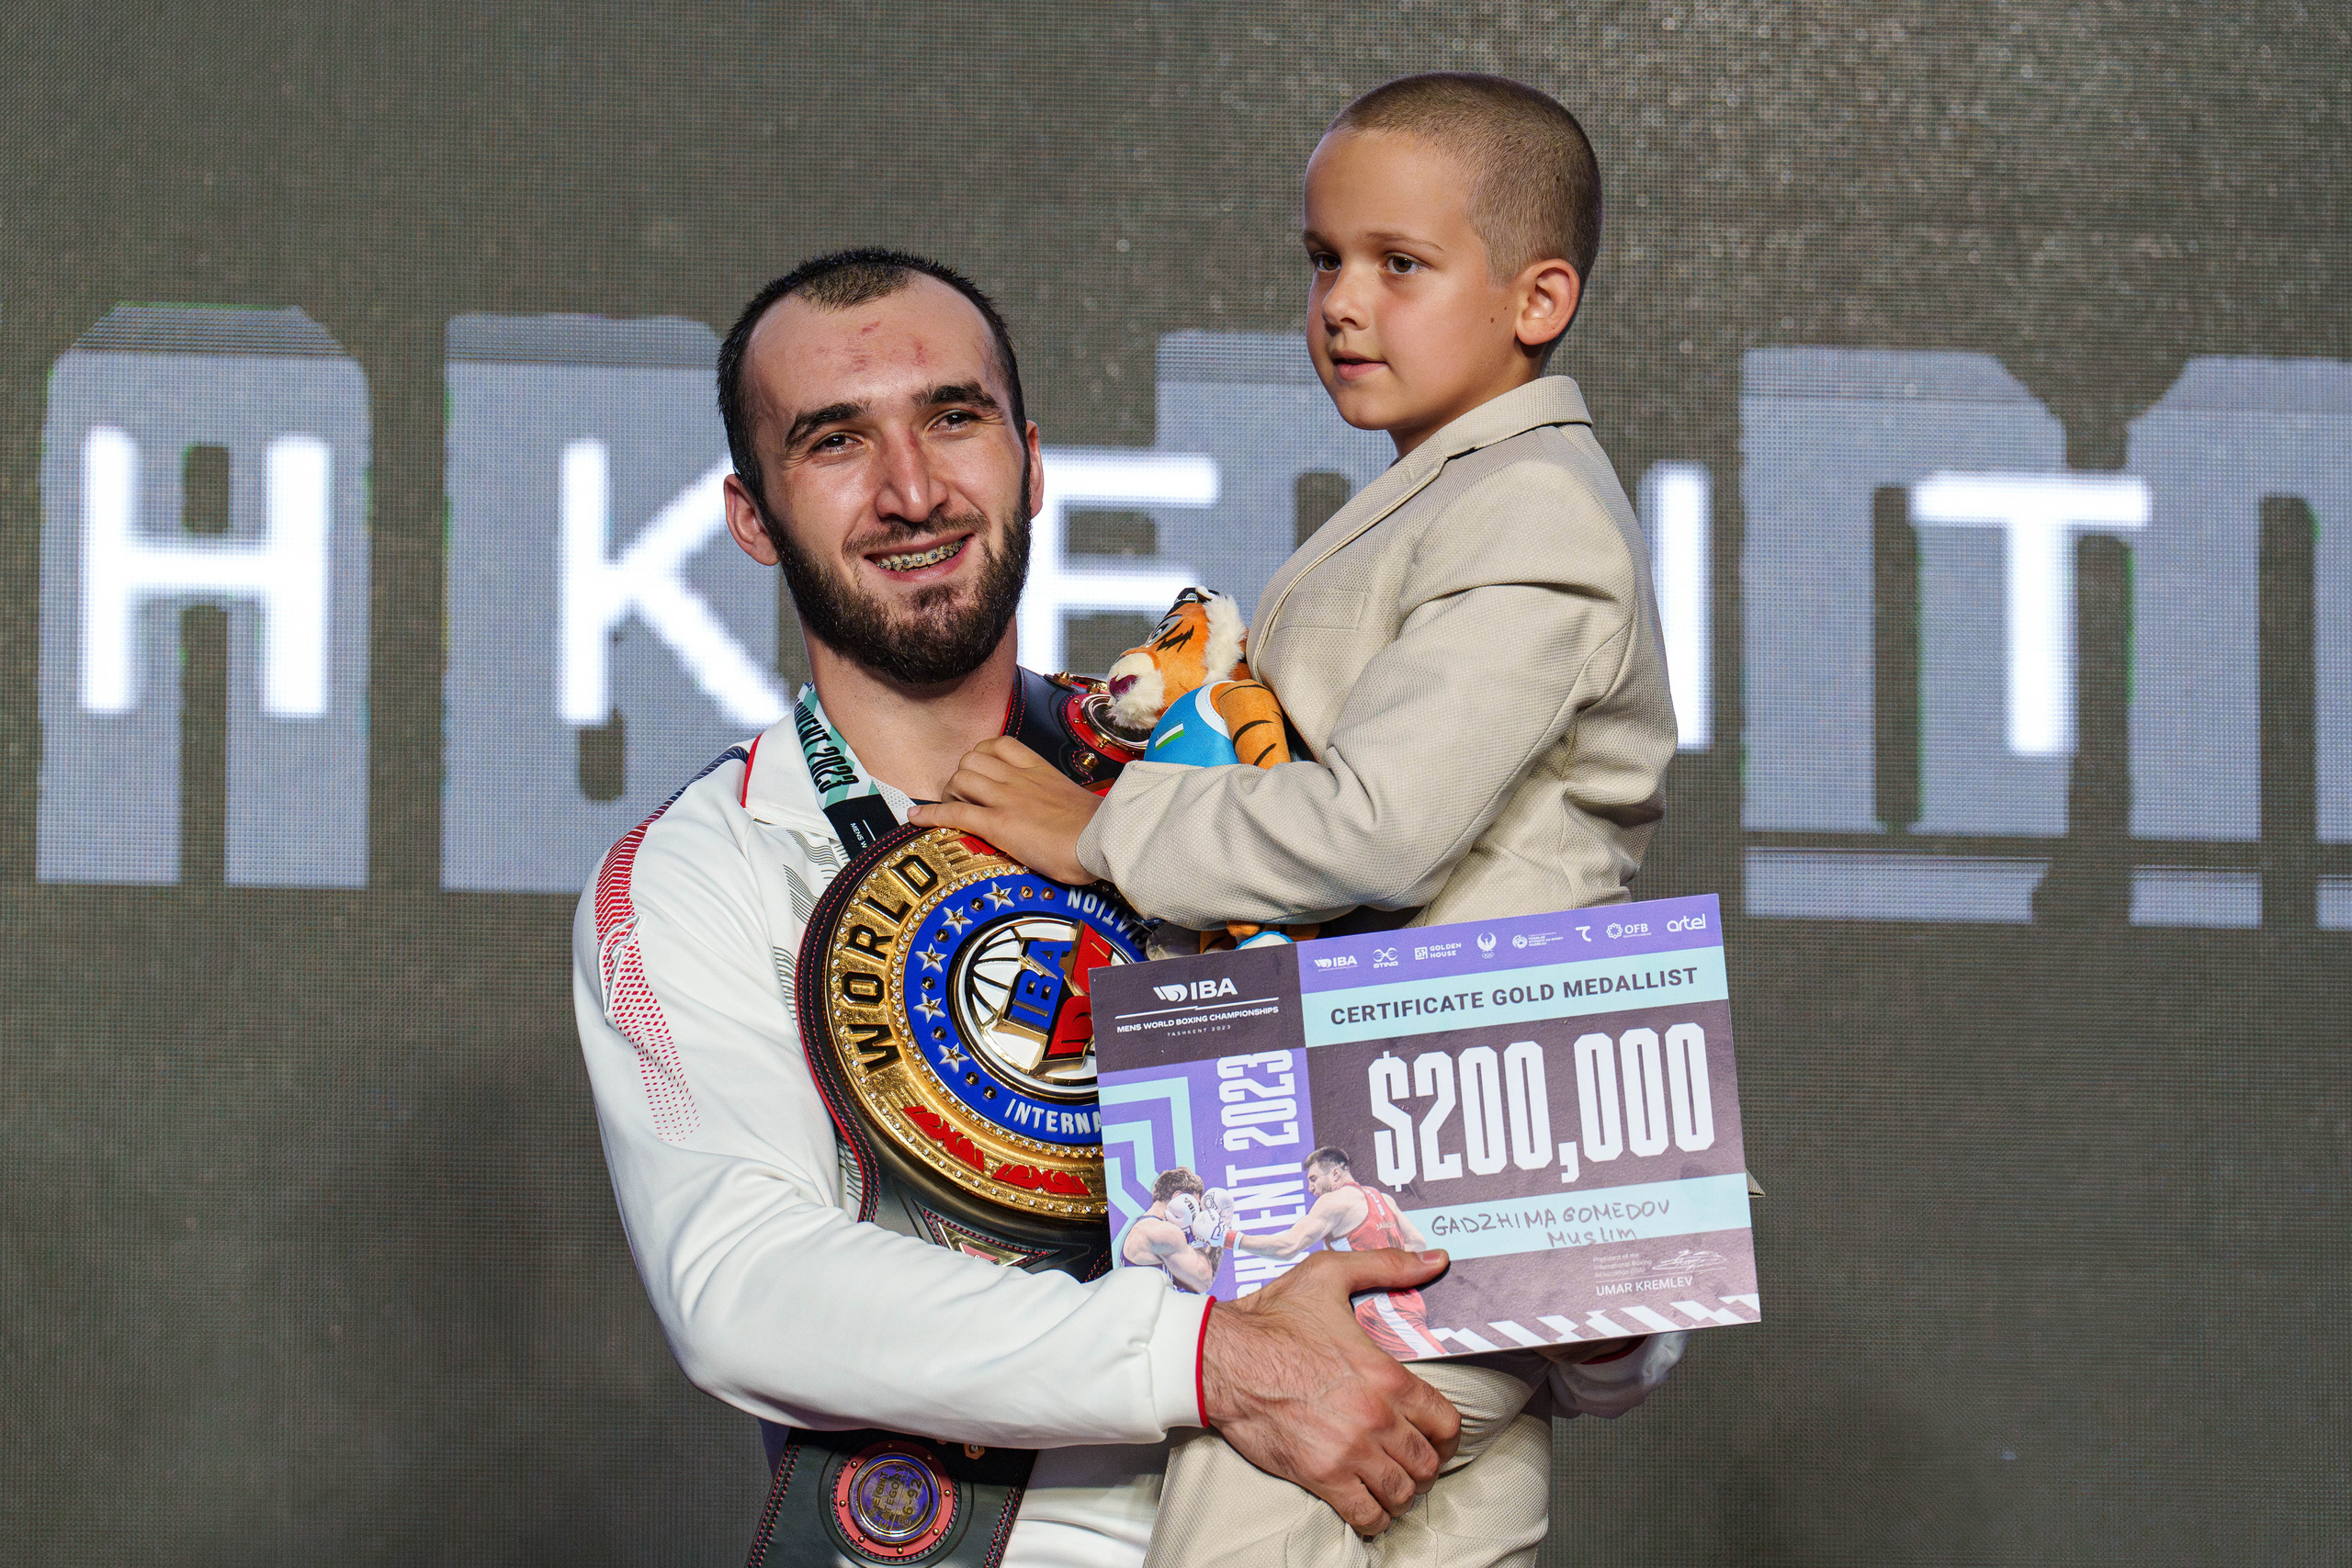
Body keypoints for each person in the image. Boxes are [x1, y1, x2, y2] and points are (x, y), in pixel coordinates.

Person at [571, 246, 1466, 1568]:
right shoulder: (701, 868)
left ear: (1032, 462)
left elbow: (1464, 1180)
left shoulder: (1225, 780)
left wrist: (1593, 1301)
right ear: (751, 517)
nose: (912, 489)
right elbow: (745, 1286)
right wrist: (1212, 1358)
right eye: (835, 440)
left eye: (953, 417)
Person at [910, 73, 1691, 1567]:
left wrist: (1097, 829)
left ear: (1540, 298)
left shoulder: (1531, 505)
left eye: (1402, 264)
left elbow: (1382, 825)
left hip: (1439, 1149)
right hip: (1410, 1154)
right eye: (1324, 259)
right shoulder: (1460, 490)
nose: (1342, 302)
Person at [1233, 1148, 1439, 1359]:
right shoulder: (1383, 1198)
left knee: (1438, 1365)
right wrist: (1382, 1265)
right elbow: (1418, 1244)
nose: (1310, 1188)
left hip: (1381, 1308)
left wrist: (1231, 1239)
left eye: (1313, 1179)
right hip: (1407, 1299)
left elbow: (1288, 1247)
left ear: (1335, 1174)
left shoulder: (1333, 1201)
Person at [1120, 1168, 1227, 1293]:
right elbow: (1204, 1281)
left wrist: (1218, 1237)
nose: (1198, 1214)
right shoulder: (1163, 1232)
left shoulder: (1147, 1227)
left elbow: (1202, 1281)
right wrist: (1212, 1236)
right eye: (1196, 1205)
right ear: (1179, 1197)